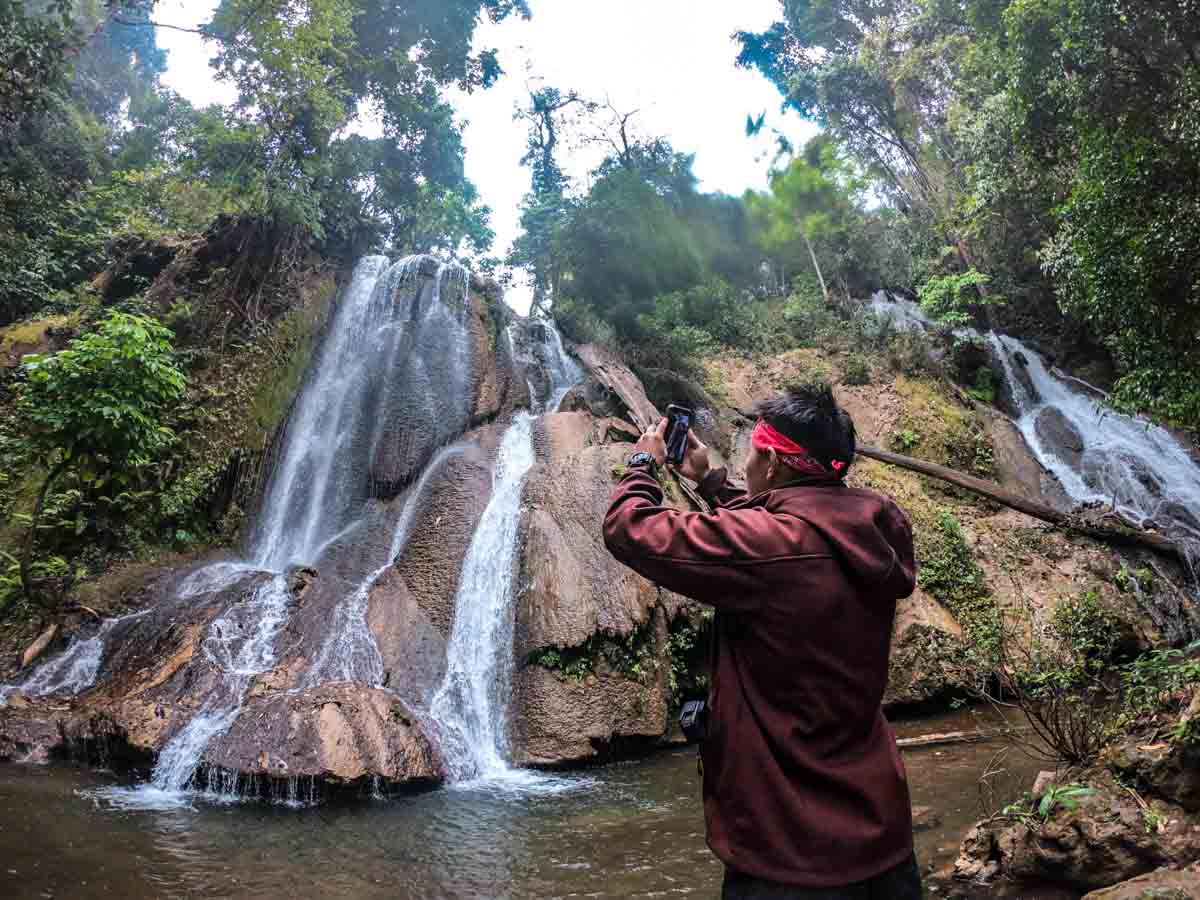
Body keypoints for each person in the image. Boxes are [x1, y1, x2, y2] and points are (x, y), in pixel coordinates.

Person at [603, 383, 921, 899]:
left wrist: (643, 463)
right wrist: (710, 479)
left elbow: (628, 527)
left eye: (750, 451)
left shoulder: (770, 551)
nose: (745, 461)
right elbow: (782, 534)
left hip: (790, 856)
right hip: (881, 841)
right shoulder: (867, 531)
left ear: (772, 463)